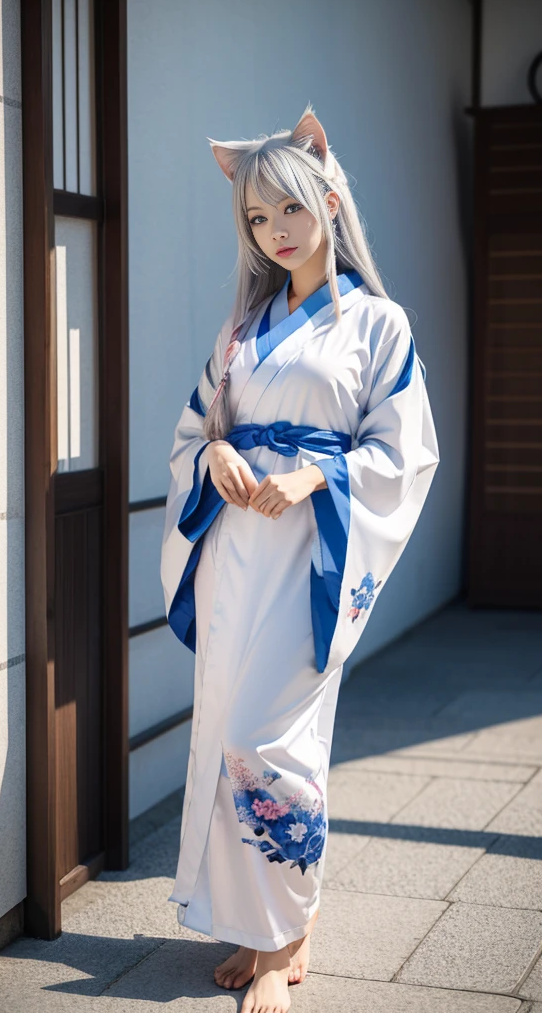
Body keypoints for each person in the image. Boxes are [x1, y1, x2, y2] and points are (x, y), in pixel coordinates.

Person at [160, 104, 440, 1013]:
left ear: (328, 195)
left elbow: (405, 453)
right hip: (237, 553)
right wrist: (217, 454)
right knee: (228, 737)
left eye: (288, 209)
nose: (274, 232)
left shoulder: (379, 325)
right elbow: (196, 427)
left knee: (270, 744)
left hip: (312, 565)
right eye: (255, 218)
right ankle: (269, 929)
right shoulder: (240, 331)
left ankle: (283, 943)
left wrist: (315, 479)